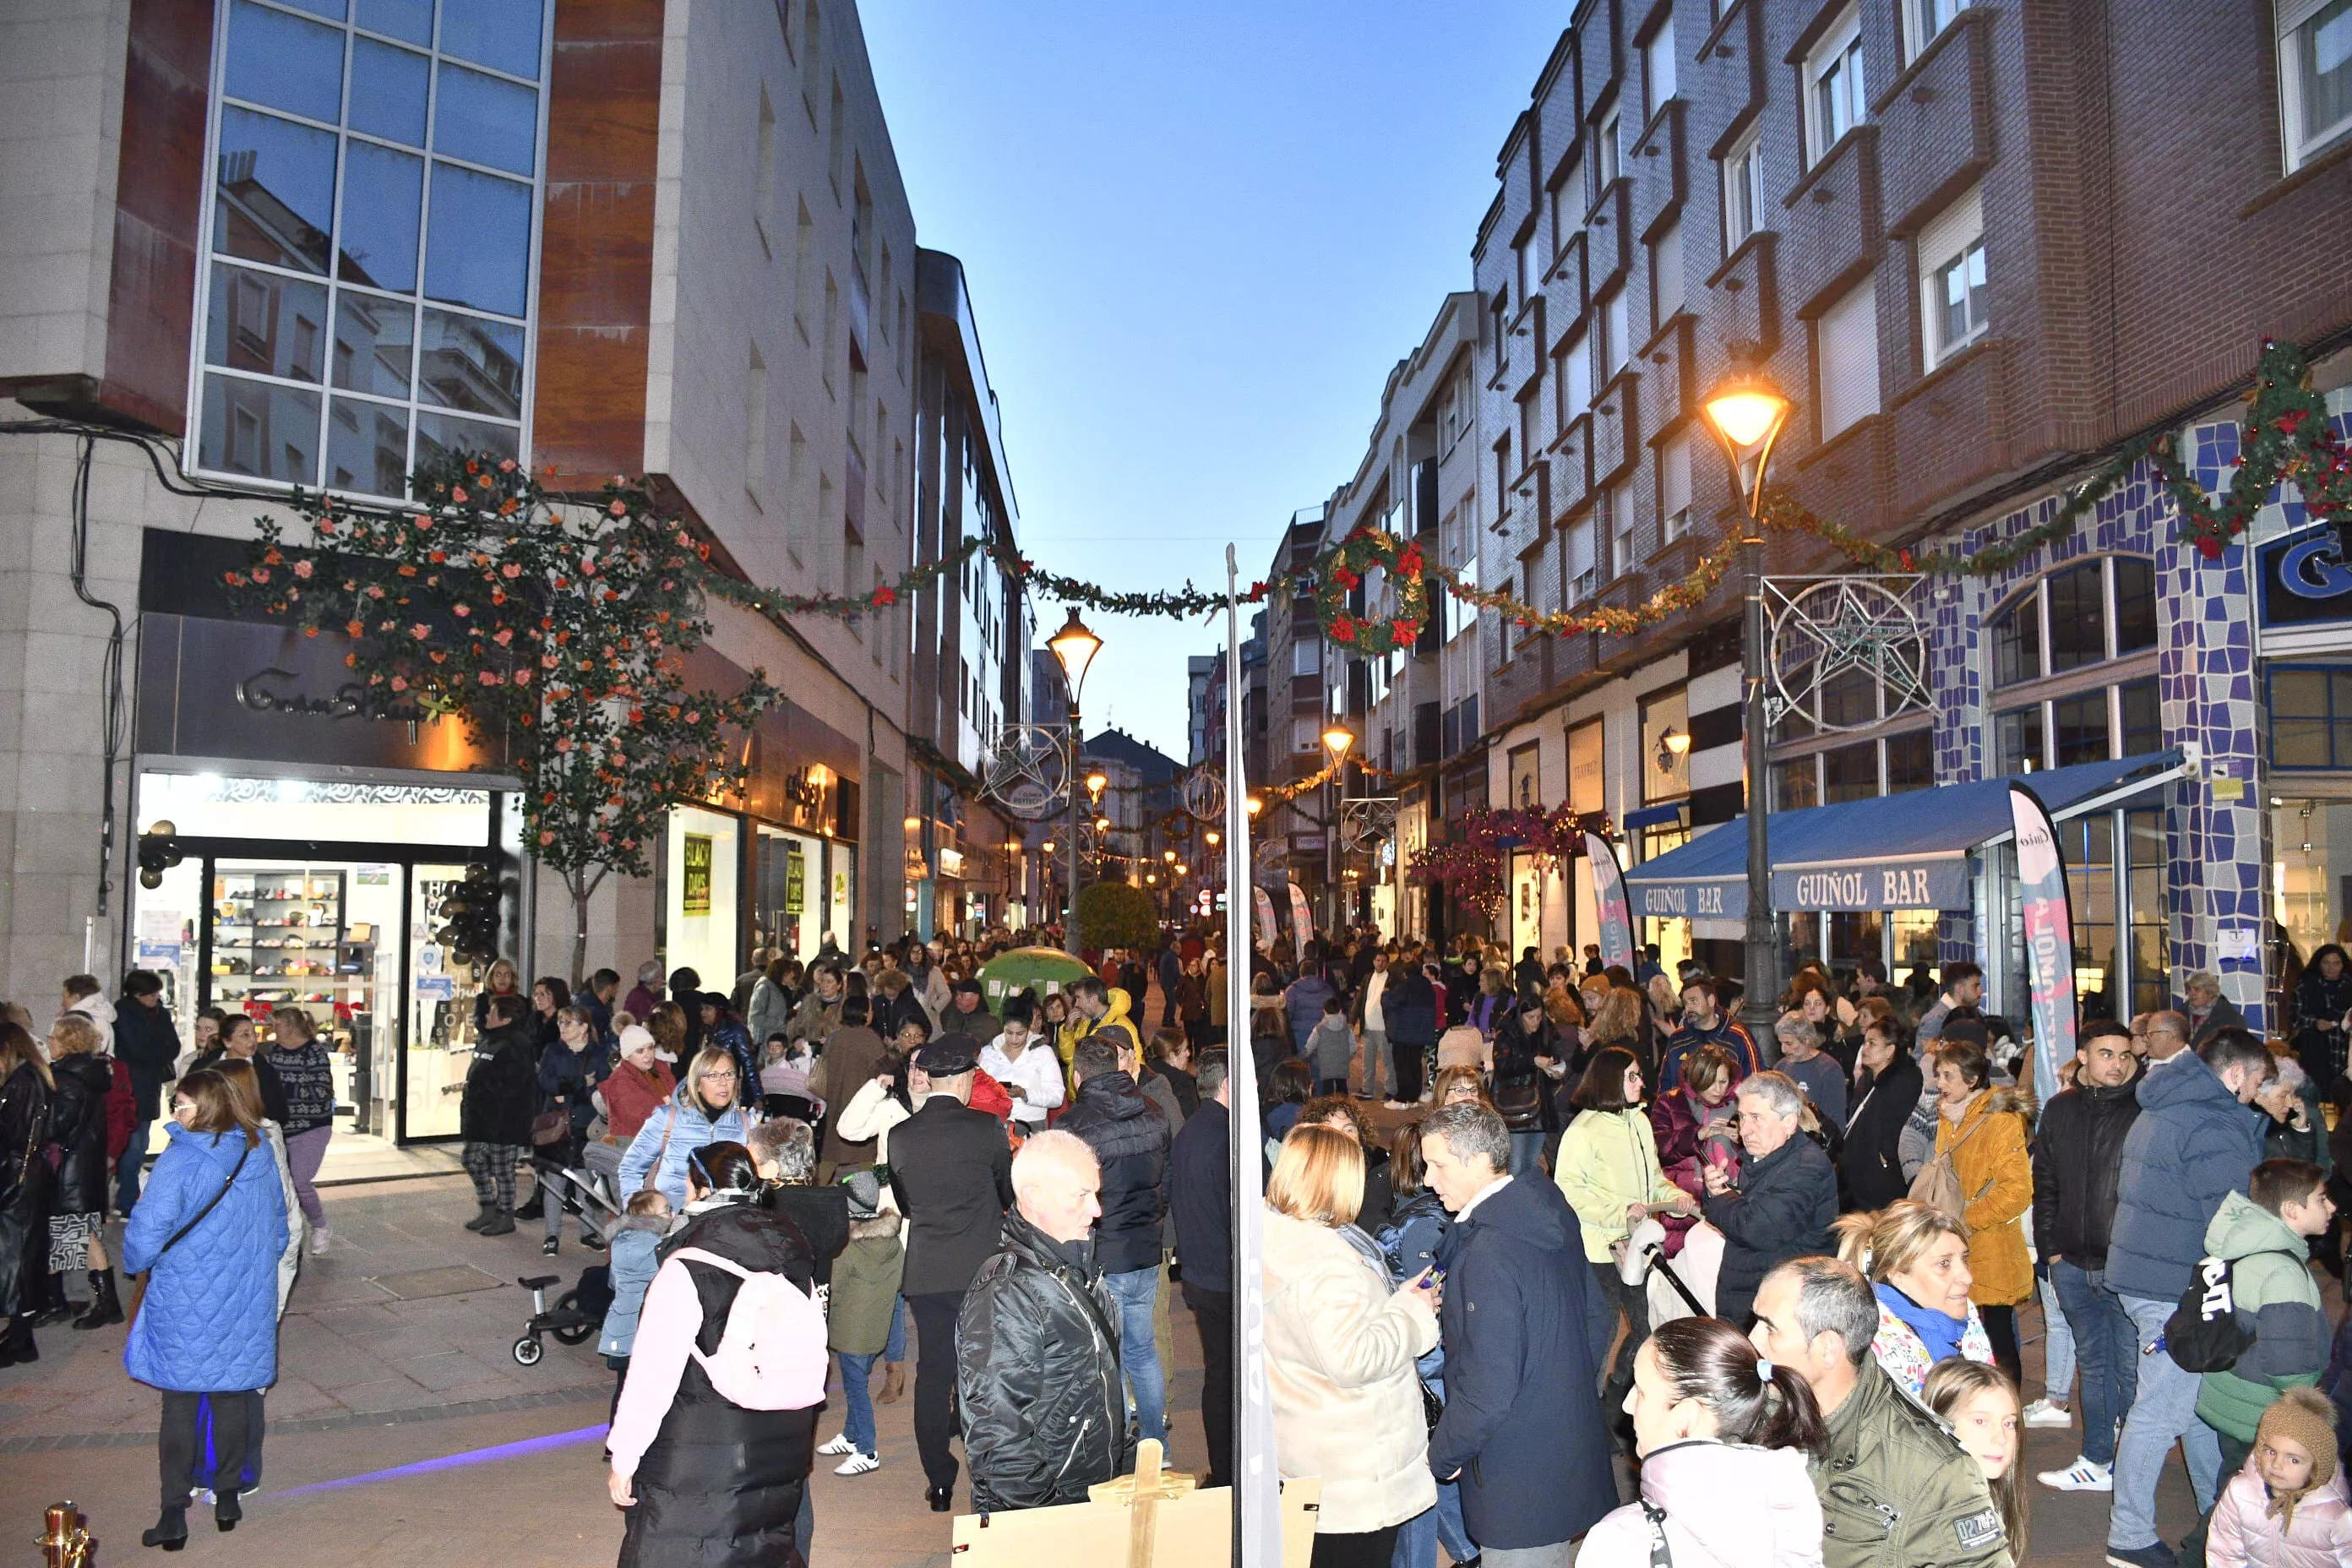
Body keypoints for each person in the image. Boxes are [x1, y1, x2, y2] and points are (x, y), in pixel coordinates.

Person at [605, 1141, 824, 1567]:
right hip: (781, 1444)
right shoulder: (792, 1256)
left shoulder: (686, 1267)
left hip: (702, 1449)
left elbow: (653, 1376)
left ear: (699, 1189)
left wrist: (625, 1456)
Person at [1420, 1101, 1616, 1565]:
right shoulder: (1545, 1207)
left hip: (1515, 1479)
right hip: (1561, 1452)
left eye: (1438, 1164)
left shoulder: (1488, 1254)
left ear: (1478, 1161)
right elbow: (1597, 1317)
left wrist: (1441, 1457)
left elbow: (1485, 1390)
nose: (1428, 1180)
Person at [2105, 1026, 2273, 1568]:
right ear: (2237, 1074)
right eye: (2257, 1085)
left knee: (2195, 1409)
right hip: (2175, 1286)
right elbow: (2229, 1216)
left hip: (2149, 1273)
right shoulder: (2214, 1119)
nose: (2257, 1095)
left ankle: (2215, 1519)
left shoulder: (2169, 1103)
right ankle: (2128, 1537)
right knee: (2159, 1412)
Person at [1747, 1256, 2014, 1568]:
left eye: (1770, 1328)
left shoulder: (1933, 1472)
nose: (1752, 1340)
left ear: (1828, 1348)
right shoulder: (1749, 1409)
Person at [123, 1068, 290, 1549]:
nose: (174, 1113)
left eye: (182, 1105)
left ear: (209, 1107)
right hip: (244, 1295)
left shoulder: (180, 1159)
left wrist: (139, 1265)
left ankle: (173, 1513)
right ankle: (228, 1494)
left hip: (185, 1294)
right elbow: (278, 1226)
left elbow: (146, 1230)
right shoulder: (256, 1152)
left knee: (179, 1400)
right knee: (233, 1392)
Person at [1262, 1123, 1441, 1566]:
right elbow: (1353, 1358)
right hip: (1355, 1468)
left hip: (1309, 1443)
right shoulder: (1325, 1263)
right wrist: (1413, 1312)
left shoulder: (1272, 1238)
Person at [955, 1130, 1131, 1511]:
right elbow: (998, 1438)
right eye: (1081, 1195)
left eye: (1096, 1194)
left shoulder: (1075, 1269)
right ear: (1034, 1197)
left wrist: (1123, 1463)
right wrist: (1048, 1520)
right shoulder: (1007, 1293)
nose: (1097, 1209)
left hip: (1090, 1499)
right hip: (1049, 1514)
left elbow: (1098, 1391)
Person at [1575, 1315, 1829, 1568]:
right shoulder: (1792, 1511)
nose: (1627, 1405)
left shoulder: (1620, 1543)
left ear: (1686, 1420)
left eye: (1642, 1391)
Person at [888, 1033, 1015, 1511]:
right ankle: (993, 1470)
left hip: (927, 1271)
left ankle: (939, 1482)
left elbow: (905, 1203)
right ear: (963, 1080)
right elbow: (1006, 1194)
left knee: (933, 1373)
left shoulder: (900, 1135)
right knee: (986, 1369)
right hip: (982, 1269)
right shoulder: (986, 1128)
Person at [1553, 1046, 1695, 1426]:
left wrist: (1672, 1198)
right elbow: (1567, 1190)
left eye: (1638, 1075)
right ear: (1611, 1080)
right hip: (1600, 1248)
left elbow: (1652, 1180)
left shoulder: (1640, 1121)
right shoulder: (1583, 1130)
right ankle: (1588, 1413)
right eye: (1632, 1076)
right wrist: (1619, 1213)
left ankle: (1619, 1390)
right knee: (1601, 1332)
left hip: (1639, 1245)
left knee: (1649, 1324)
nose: (1640, 1082)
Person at [2034, 1017, 2145, 1494]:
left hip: (2124, 1265)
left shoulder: (2145, 1109)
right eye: (2106, 1054)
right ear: (2083, 1057)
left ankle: (2131, 1462)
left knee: (2129, 1364)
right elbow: (2047, 1186)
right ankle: (2099, 1459)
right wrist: (2051, 1253)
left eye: (2125, 1055)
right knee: (2094, 1364)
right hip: (2072, 1263)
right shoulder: (2060, 1110)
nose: (2118, 1064)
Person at [1059, 1033, 1173, 1451]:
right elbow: (1169, 1178)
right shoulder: (1155, 1112)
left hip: (1102, 1254)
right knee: (1143, 1352)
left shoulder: (1074, 1125)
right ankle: (1155, 1445)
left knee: (1109, 1357)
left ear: (1078, 1073)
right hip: (1146, 1246)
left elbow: (1068, 1198)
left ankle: (1118, 1451)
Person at [2196, 1159, 2336, 1477]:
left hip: (2230, 1394)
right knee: (2258, 1502)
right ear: (2292, 1209)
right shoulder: (2283, 1271)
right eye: (2320, 1198)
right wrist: (2309, 1406)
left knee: (2235, 1487)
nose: (2330, 1206)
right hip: (2262, 1409)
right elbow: (2287, 1361)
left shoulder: (2243, 1247)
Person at [1928, 1037, 2034, 1384]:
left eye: (1948, 1076)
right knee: (1959, 1342)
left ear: (1972, 1080)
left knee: (1998, 1340)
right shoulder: (1949, 1116)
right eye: (1938, 1075)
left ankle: (2007, 1417)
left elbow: (2017, 1191)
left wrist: (1967, 1220)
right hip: (1952, 1246)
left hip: (1991, 1247)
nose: (1940, 1084)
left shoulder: (2000, 1121)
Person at [1701, 1072, 1838, 1328]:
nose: (1745, 1129)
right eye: (1742, 1117)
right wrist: (1714, 1190)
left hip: (1781, 1309)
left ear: (1789, 1122)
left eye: (1756, 1118)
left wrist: (1720, 1197)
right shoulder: (1766, 1156)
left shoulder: (1806, 1167)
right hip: (1755, 1293)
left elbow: (1757, 1228)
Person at [1834, 1200, 1994, 1395]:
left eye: (1964, 1259)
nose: (1968, 1277)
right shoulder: (1876, 1351)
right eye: (1944, 1264)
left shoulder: (1962, 1312)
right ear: (1898, 1276)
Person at [1170, 1050, 1235, 1488]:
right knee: (1228, 1379)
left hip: (1199, 1271)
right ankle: (1230, 1470)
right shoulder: (1227, 1136)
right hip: (1225, 1277)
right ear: (1227, 1085)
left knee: (1218, 1373)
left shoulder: (1192, 1130)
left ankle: (1223, 1467)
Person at [2205, 1386, 2352, 1568]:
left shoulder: (2334, 1514)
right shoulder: (2240, 1492)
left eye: (2294, 1460)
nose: (2277, 1465)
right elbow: (2223, 1552)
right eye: (2271, 1452)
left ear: (2317, 1466)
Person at [35, 1015, 117, 1330]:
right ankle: (57, 1302)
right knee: (63, 1234)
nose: (50, 1042)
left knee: (83, 1235)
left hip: (72, 1170)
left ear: (67, 1041)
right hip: (79, 1167)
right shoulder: (85, 1074)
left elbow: (56, 1126)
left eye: (54, 1036)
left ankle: (107, 1303)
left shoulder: (69, 1080)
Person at [618, 1047, 754, 1211]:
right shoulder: (668, 1118)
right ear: (696, 1084)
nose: (723, 1082)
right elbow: (631, 1168)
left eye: (729, 1074)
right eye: (713, 1075)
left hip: (725, 1223)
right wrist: (639, 1215)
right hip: (671, 1222)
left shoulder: (746, 1124)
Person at [1924, 1359, 2029, 1564]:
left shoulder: (1985, 1498)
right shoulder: (1930, 1520)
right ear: (1940, 1423)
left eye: (2009, 1423)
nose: (2000, 1437)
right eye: (1980, 1421)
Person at [458, 994, 539, 1235]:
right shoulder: (487, 1041)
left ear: (504, 1019)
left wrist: (485, 1089)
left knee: (503, 1170)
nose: (486, 1016)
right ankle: (488, 1206)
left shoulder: (518, 1046)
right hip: (480, 1118)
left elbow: (515, 1086)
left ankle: (505, 1215)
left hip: (504, 1120)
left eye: (492, 1013)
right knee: (471, 1159)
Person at [267, 1010, 337, 1255]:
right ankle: (286, 1230)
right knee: (279, 1183)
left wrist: (282, 1089)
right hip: (281, 1129)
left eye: (277, 1024)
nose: (273, 1029)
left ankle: (319, 1226)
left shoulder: (314, 1052)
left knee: (299, 1181)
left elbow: (320, 1091)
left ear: (292, 1027)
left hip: (311, 1127)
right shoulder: (273, 1052)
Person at [112, 969, 180, 1217]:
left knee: (141, 1143)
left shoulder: (159, 1013)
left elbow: (173, 1045)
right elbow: (137, 1049)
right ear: (137, 994)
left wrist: (156, 1049)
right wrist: (157, 1049)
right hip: (130, 1088)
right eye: (151, 994)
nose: (155, 998)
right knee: (134, 1144)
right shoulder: (123, 1013)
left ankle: (127, 1196)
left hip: (149, 1086)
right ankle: (127, 1199)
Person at [1840, 1017, 1923, 1210]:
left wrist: (1886, 1156)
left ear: (1890, 1050)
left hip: (1882, 1182)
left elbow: (1900, 1126)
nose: (1865, 1049)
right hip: (1858, 1177)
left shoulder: (1905, 1081)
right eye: (1864, 1042)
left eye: (1872, 1043)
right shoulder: (1867, 1079)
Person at [596, 1189, 673, 1383]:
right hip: (645, 1329)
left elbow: (612, 1283)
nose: (672, 1215)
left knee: (624, 1391)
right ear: (649, 1217)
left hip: (621, 1326)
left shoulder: (620, 1242)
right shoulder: (658, 1247)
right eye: (666, 1211)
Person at [1660, 977, 1761, 1090]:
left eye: (1694, 1001)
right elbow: (1666, 1081)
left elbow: (1755, 1080)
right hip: (1683, 1107)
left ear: (1711, 1001)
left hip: (1728, 1106)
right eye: (1686, 1003)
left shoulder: (1738, 1037)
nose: (1689, 1008)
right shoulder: (1678, 1038)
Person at [977, 1012, 1064, 1136]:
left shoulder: (1043, 1053)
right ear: (1003, 1028)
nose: (1014, 1039)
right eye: (1009, 1032)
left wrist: (1025, 1094)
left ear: (1029, 1029)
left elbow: (1057, 1097)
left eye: (1020, 1033)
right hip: (993, 1123)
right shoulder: (987, 1053)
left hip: (1032, 1125)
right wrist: (994, 1092)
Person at [2292, 944, 2352, 1087]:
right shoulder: (2305, 987)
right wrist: (2314, 1023)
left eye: (2336, 963)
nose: (2331, 968)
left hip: (2345, 1047)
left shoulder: (2349, 986)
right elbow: (2294, 1017)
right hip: (2315, 1049)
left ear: (2343, 965)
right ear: (2319, 964)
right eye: (2326, 963)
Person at [1775, 1011, 1846, 1126]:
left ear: (1807, 1040)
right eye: (1781, 1043)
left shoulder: (1829, 1069)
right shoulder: (1781, 1067)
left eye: (1789, 1043)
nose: (1783, 1049)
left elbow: (1836, 1120)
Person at [1384, 956, 1438, 1104]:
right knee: (1415, 1064)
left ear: (1405, 973)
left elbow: (1390, 1002)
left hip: (1404, 1033)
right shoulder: (1427, 987)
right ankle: (1414, 1096)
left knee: (1402, 1066)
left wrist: (1386, 993)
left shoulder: (1405, 986)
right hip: (1420, 1033)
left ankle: (1402, 1098)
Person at [1915, 961, 1985, 1048]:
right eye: (1975, 986)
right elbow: (1923, 1058)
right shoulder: (1937, 1019)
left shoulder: (1968, 1014)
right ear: (1960, 989)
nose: (1981, 991)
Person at [1358, 951, 1393, 1102]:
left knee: (1388, 1061)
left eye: (1383, 961)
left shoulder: (1391, 979)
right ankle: (1367, 1089)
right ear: (1374, 961)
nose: (1380, 963)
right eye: (1378, 960)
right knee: (1367, 1061)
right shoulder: (1367, 977)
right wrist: (1353, 1020)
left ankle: (1391, 1090)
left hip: (1384, 1028)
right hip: (1368, 1026)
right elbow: (1360, 1000)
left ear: (1387, 963)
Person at [2185, 971, 2253, 1046]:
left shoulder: (2231, 1019)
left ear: (2210, 992)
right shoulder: (2181, 1014)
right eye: (2189, 989)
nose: (2192, 994)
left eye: (2197, 989)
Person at [1308, 993, 1354, 1097]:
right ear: (1340, 1010)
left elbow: (1310, 1046)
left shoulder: (1319, 1028)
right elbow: (1353, 1047)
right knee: (1342, 1088)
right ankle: (1344, 1109)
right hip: (1342, 1064)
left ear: (1324, 1011)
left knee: (1327, 1091)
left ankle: (1328, 1111)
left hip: (1326, 1065)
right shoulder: (1346, 1028)